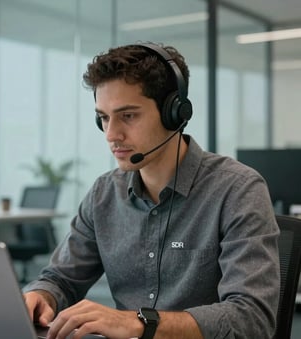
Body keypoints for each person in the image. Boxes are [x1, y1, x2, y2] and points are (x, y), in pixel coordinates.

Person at [23, 42, 280, 339]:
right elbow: (60, 278)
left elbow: (252, 319)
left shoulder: (237, 190)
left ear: (175, 113)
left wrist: (140, 323)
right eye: (104, 117)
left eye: (128, 116)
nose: (111, 134)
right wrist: (42, 295)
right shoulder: (104, 194)